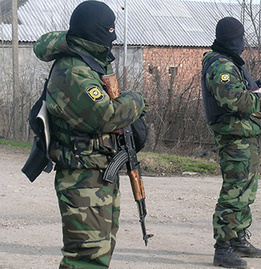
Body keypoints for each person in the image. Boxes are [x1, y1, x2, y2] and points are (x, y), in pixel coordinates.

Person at [32, 1, 146, 268]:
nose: (113, 36)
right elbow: (104, 115)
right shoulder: (74, 69)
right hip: (81, 177)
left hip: (95, 175)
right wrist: (136, 101)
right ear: (95, 32)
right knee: (86, 258)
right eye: (109, 30)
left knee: (99, 252)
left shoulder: (88, 63)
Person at [201, 17, 261, 268]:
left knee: (246, 191)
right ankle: (222, 248)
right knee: (234, 191)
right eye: (240, 38)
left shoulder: (230, 62)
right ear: (232, 39)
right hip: (233, 137)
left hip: (244, 136)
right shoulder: (220, 65)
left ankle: (238, 238)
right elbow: (232, 100)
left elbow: (243, 92)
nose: (242, 43)